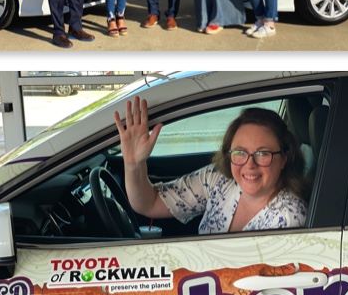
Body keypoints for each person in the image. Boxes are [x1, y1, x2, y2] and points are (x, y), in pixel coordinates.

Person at [114, 98, 308, 233]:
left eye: (262, 154)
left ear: (284, 157)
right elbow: (149, 202)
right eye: (240, 152)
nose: (249, 164)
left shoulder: (290, 217)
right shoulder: (219, 179)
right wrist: (133, 164)